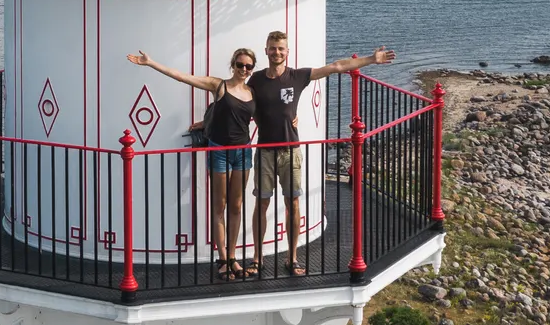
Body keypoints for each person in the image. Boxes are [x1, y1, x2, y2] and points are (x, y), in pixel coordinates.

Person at [247, 32, 395, 278]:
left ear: (288, 51)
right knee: (261, 203)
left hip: (291, 151)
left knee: (292, 203)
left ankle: (292, 258)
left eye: (281, 48)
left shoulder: (297, 76)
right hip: (264, 152)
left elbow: (336, 66)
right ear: (266, 50)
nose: (277, 53)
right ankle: (257, 258)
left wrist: (371, 59)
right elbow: (238, 99)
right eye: (273, 48)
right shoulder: (256, 79)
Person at [126, 46, 257, 278]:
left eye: (248, 66)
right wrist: (151, 63)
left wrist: (292, 119)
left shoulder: (252, 93)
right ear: (233, 65)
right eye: (240, 65)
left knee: (236, 206)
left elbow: (267, 114)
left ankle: (234, 256)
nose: (243, 69)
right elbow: (184, 77)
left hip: (243, 152)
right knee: (220, 206)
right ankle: (223, 259)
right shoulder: (220, 86)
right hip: (219, 150)